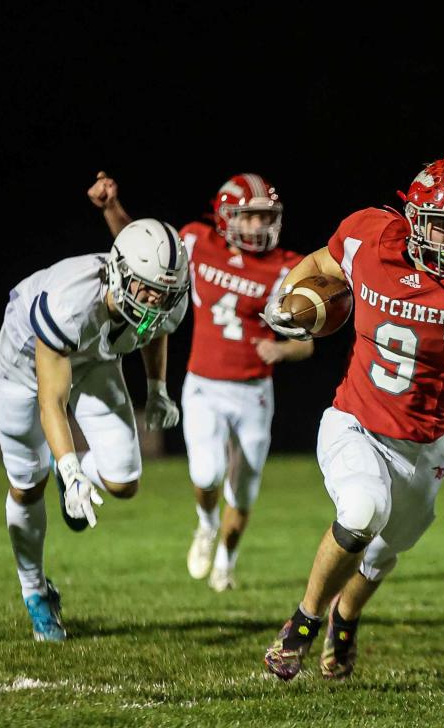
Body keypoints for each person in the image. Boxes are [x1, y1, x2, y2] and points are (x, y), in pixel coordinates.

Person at [259, 158, 444, 680]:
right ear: (414, 218)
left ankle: (345, 617)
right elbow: (319, 264)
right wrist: (283, 301)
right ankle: (301, 625)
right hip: (353, 421)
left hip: (423, 446)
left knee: (383, 554)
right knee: (362, 510)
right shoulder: (369, 236)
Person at [89, 171, 313, 592]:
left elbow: (307, 343)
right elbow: (138, 249)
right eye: (251, 217)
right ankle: (207, 525)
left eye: (266, 217)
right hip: (204, 385)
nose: (260, 226)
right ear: (226, 215)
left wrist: (283, 350)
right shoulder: (195, 242)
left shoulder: (286, 267)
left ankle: (226, 561)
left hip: (254, 392)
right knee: (207, 474)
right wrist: (110, 208)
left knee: (243, 491)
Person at [0, 218, 189, 641]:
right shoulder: (71, 302)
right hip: (26, 364)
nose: (157, 301)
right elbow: (51, 401)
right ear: (119, 273)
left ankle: (78, 477)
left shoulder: (163, 299)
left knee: (124, 479)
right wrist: (67, 467)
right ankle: (36, 592)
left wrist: (157, 388)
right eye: (149, 289)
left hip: (95, 359)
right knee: (28, 484)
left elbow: (155, 328)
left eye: (167, 293)